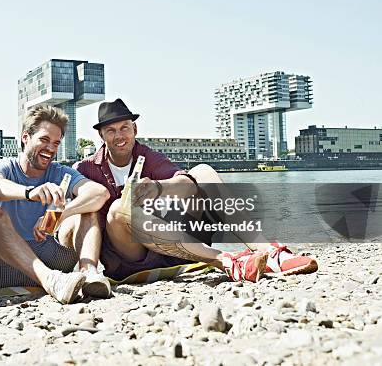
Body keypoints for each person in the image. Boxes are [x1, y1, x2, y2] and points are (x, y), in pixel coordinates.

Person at [75, 98, 318, 283]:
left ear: (134, 129)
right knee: (118, 209)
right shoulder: (85, 168)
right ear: (100, 135)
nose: (120, 136)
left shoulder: (148, 157)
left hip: (170, 244)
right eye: (111, 130)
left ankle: (266, 251)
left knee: (203, 170)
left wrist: (159, 188)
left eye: (124, 128)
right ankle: (226, 260)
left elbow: (187, 183)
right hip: (130, 258)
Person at [0, 105, 112, 304]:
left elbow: (99, 193)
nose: (51, 148)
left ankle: (90, 275)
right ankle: (49, 280)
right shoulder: (4, 166)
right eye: (44, 140)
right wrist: (29, 192)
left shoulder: (60, 172)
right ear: (25, 137)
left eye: (56, 143)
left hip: (53, 260)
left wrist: (61, 214)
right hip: (8, 266)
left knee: (88, 211)